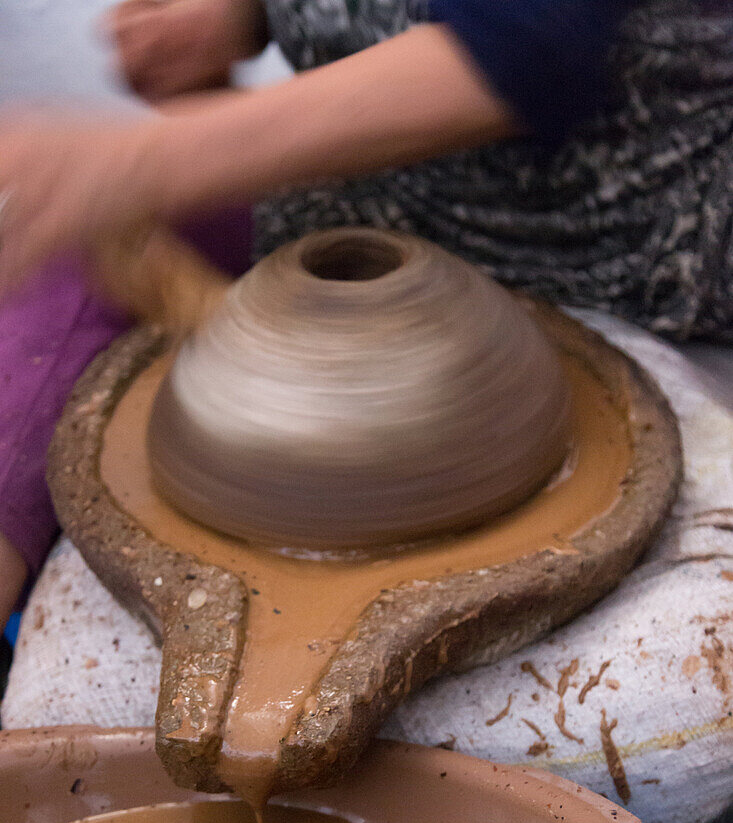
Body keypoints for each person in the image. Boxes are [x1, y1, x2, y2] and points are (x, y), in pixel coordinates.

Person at [0, 0, 731, 633]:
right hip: (371, 198)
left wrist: (142, 162)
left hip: (631, 248)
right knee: (50, 269)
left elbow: (528, 44)